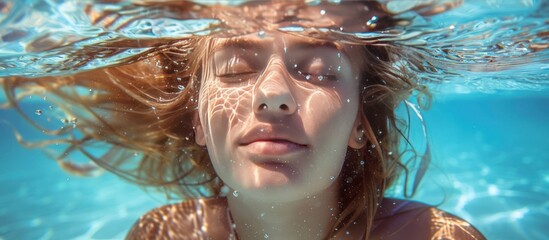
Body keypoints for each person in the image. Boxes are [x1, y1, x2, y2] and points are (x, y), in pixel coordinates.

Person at [1, 1, 486, 239]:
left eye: (318, 72)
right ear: (196, 115)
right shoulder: (165, 235)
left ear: (361, 119)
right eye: (235, 70)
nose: (273, 94)